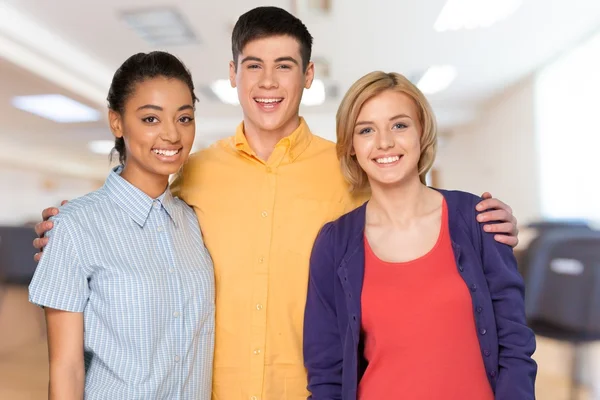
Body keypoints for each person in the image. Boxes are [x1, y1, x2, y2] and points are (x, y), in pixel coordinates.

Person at [33, 7, 521, 399]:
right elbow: (136, 194)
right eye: (253, 66)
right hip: (210, 391)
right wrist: (71, 227)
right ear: (233, 74)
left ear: (308, 76)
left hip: (310, 388)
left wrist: (488, 225)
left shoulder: (350, 170)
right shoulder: (192, 171)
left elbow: (411, 210)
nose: (268, 82)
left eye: (284, 66)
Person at [303, 71, 537, 400]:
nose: (384, 142)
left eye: (399, 125)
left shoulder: (477, 219)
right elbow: (327, 370)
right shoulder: (334, 243)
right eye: (366, 130)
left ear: (422, 132)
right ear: (351, 146)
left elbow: (514, 343)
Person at [28, 51, 215, 399]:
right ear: (116, 122)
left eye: (185, 118)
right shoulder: (74, 226)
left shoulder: (193, 222)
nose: (172, 134)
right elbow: (66, 368)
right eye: (150, 119)